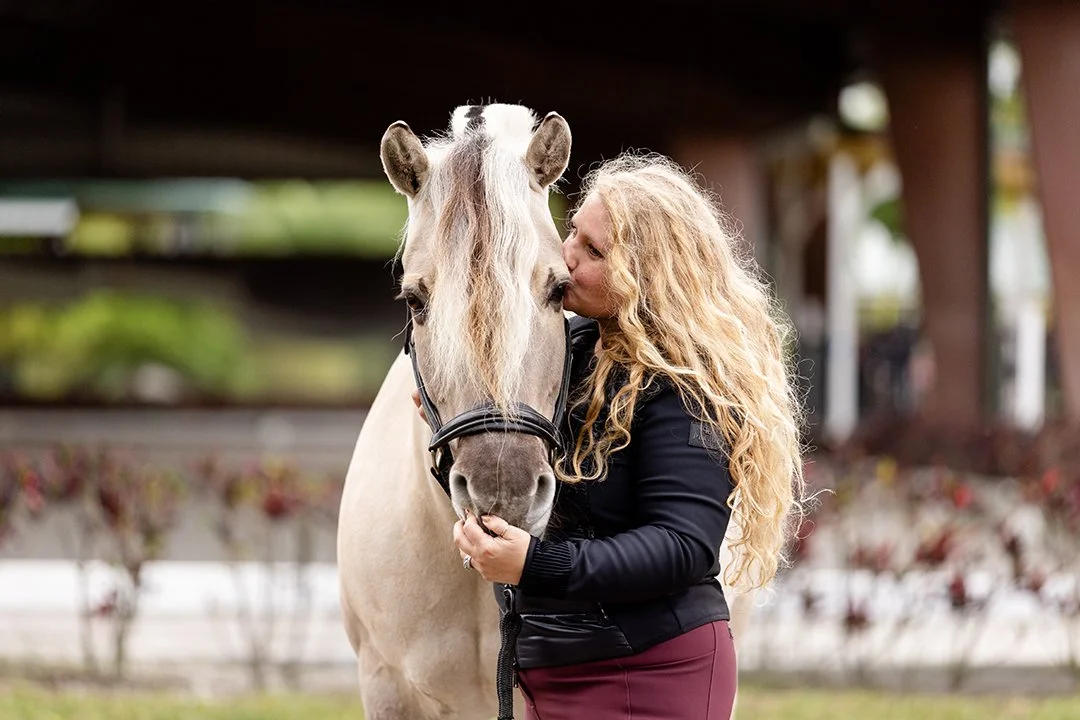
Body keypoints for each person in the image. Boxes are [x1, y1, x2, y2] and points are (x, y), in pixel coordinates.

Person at [448, 152, 807, 720]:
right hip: (551, 672)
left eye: (594, 252)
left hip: (652, 670)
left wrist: (534, 565)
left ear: (649, 277)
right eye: (572, 232)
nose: (566, 259)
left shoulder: (687, 383)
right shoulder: (567, 353)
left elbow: (683, 546)